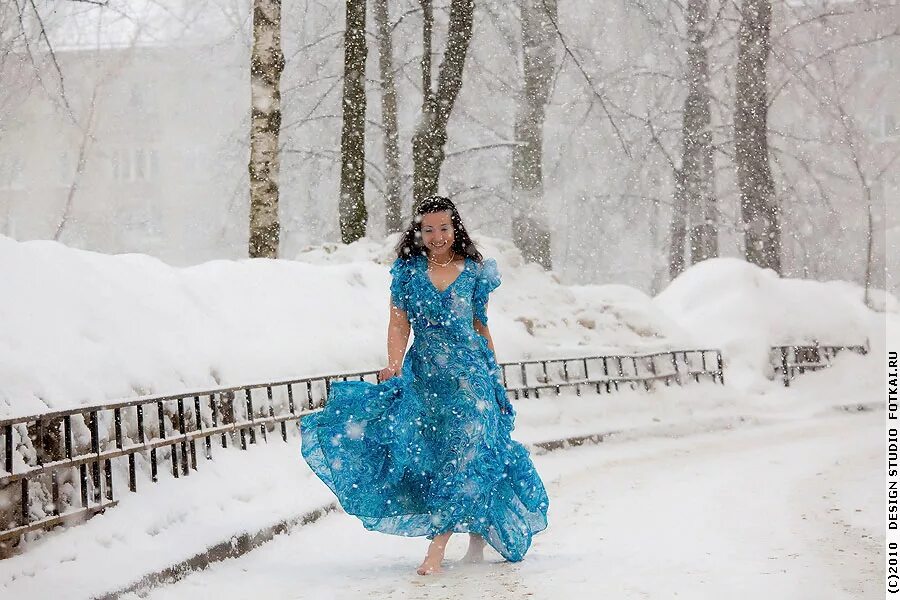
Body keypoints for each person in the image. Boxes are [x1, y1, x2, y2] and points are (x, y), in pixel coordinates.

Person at [300, 195, 549, 575]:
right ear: (419, 231)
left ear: (455, 228)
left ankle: (437, 546)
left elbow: (480, 326)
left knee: (469, 453)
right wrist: (394, 364)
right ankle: (477, 534)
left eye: (444, 228)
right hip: (427, 379)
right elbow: (399, 324)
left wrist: (494, 377)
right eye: (428, 229)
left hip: (471, 378)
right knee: (434, 455)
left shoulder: (474, 272)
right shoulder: (408, 273)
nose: (436, 236)